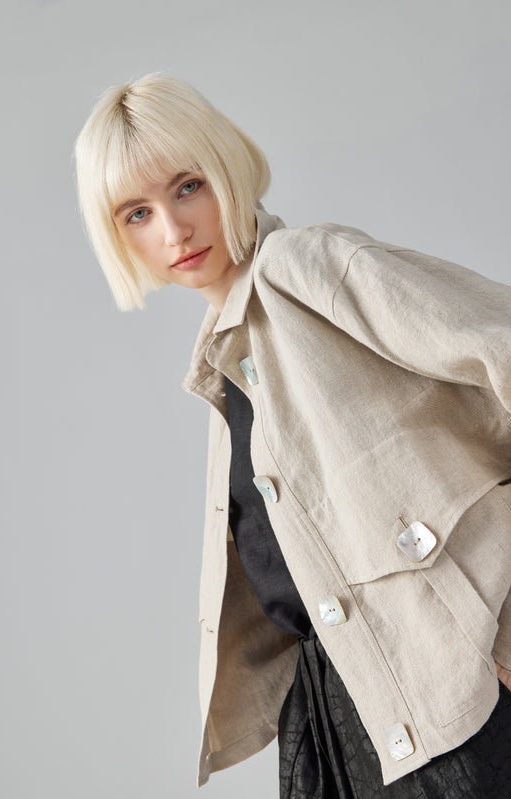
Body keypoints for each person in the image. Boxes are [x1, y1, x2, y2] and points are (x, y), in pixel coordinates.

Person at [74, 73, 511, 797]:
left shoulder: (305, 268)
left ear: (226, 169)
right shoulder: (225, 362)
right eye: (137, 213)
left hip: (450, 693)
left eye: (188, 187)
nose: (173, 231)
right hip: (338, 712)